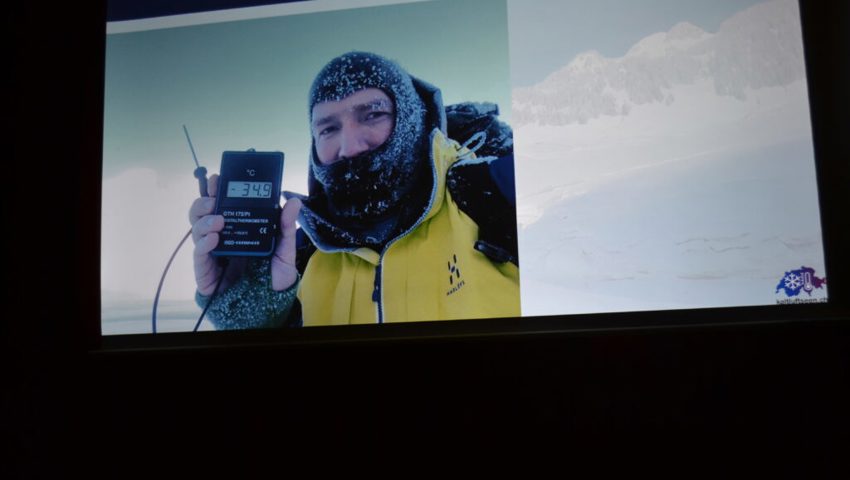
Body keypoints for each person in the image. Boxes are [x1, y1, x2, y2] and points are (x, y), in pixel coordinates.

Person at [189, 51, 520, 328]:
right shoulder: (299, 259)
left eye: (373, 114)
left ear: (410, 120)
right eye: (329, 128)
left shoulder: (495, 193)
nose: (349, 147)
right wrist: (253, 307)